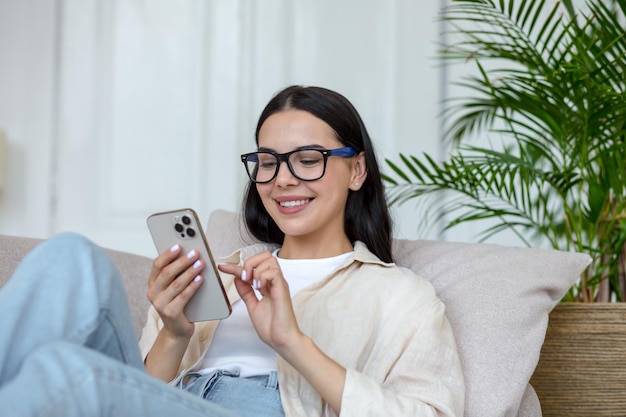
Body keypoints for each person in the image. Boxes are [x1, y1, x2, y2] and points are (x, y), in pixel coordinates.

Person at [0, 85, 464, 417]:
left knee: (67, 369)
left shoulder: (401, 296)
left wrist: (291, 342)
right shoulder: (220, 274)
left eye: (307, 160)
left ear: (357, 170)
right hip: (168, 397)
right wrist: (175, 333)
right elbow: (135, 392)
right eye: (267, 162)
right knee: (70, 256)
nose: (282, 179)